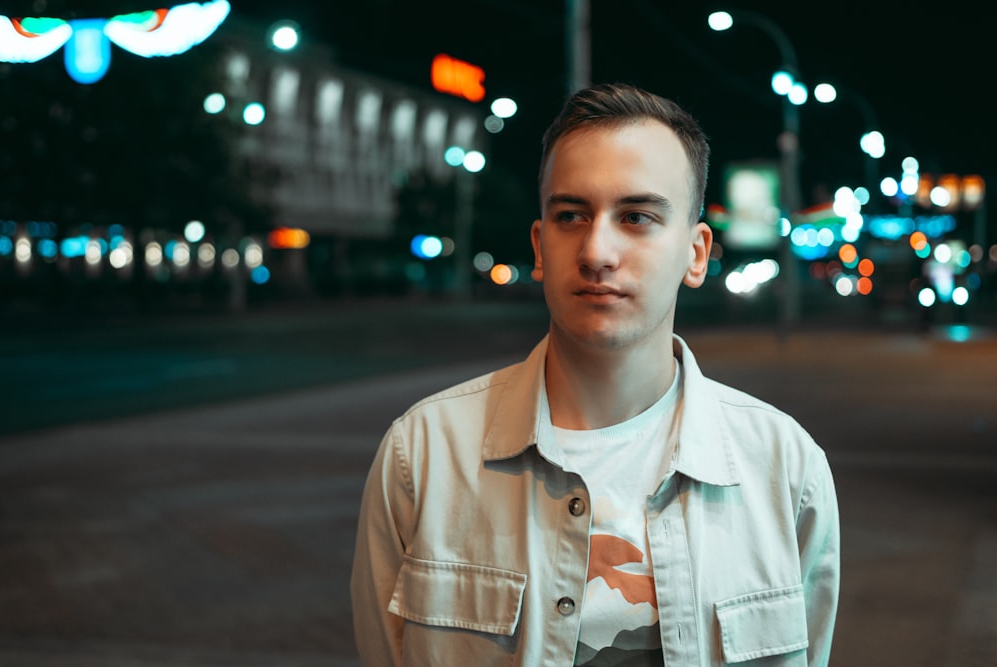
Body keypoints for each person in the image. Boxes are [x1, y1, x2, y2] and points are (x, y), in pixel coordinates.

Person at [351, 82, 839, 666]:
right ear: (539, 245)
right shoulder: (425, 454)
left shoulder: (784, 467)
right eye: (570, 215)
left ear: (697, 252)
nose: (596, 250)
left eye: (636, 216)